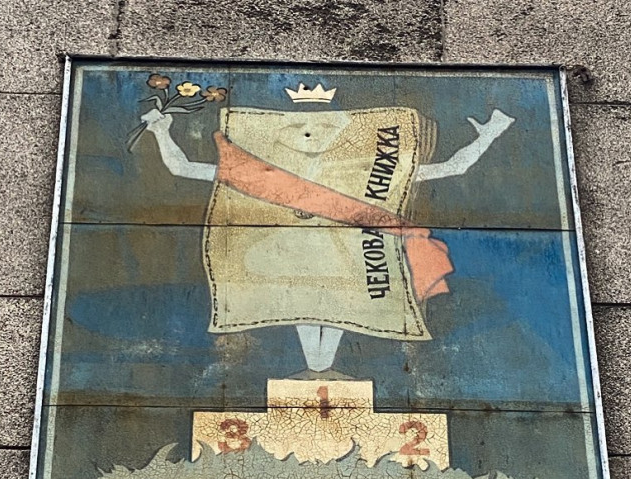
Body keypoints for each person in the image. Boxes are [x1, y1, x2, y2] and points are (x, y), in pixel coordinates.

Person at [140, 100, 514, 375]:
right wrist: (161, 131)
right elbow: (181, 167)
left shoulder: (364, 176)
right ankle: (318, 378)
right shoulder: (266, 178)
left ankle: (322, 378)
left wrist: (490, 133)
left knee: (322, 352)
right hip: (298, 270)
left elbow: (454, 167)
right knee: (316, 353)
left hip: (344, 271)